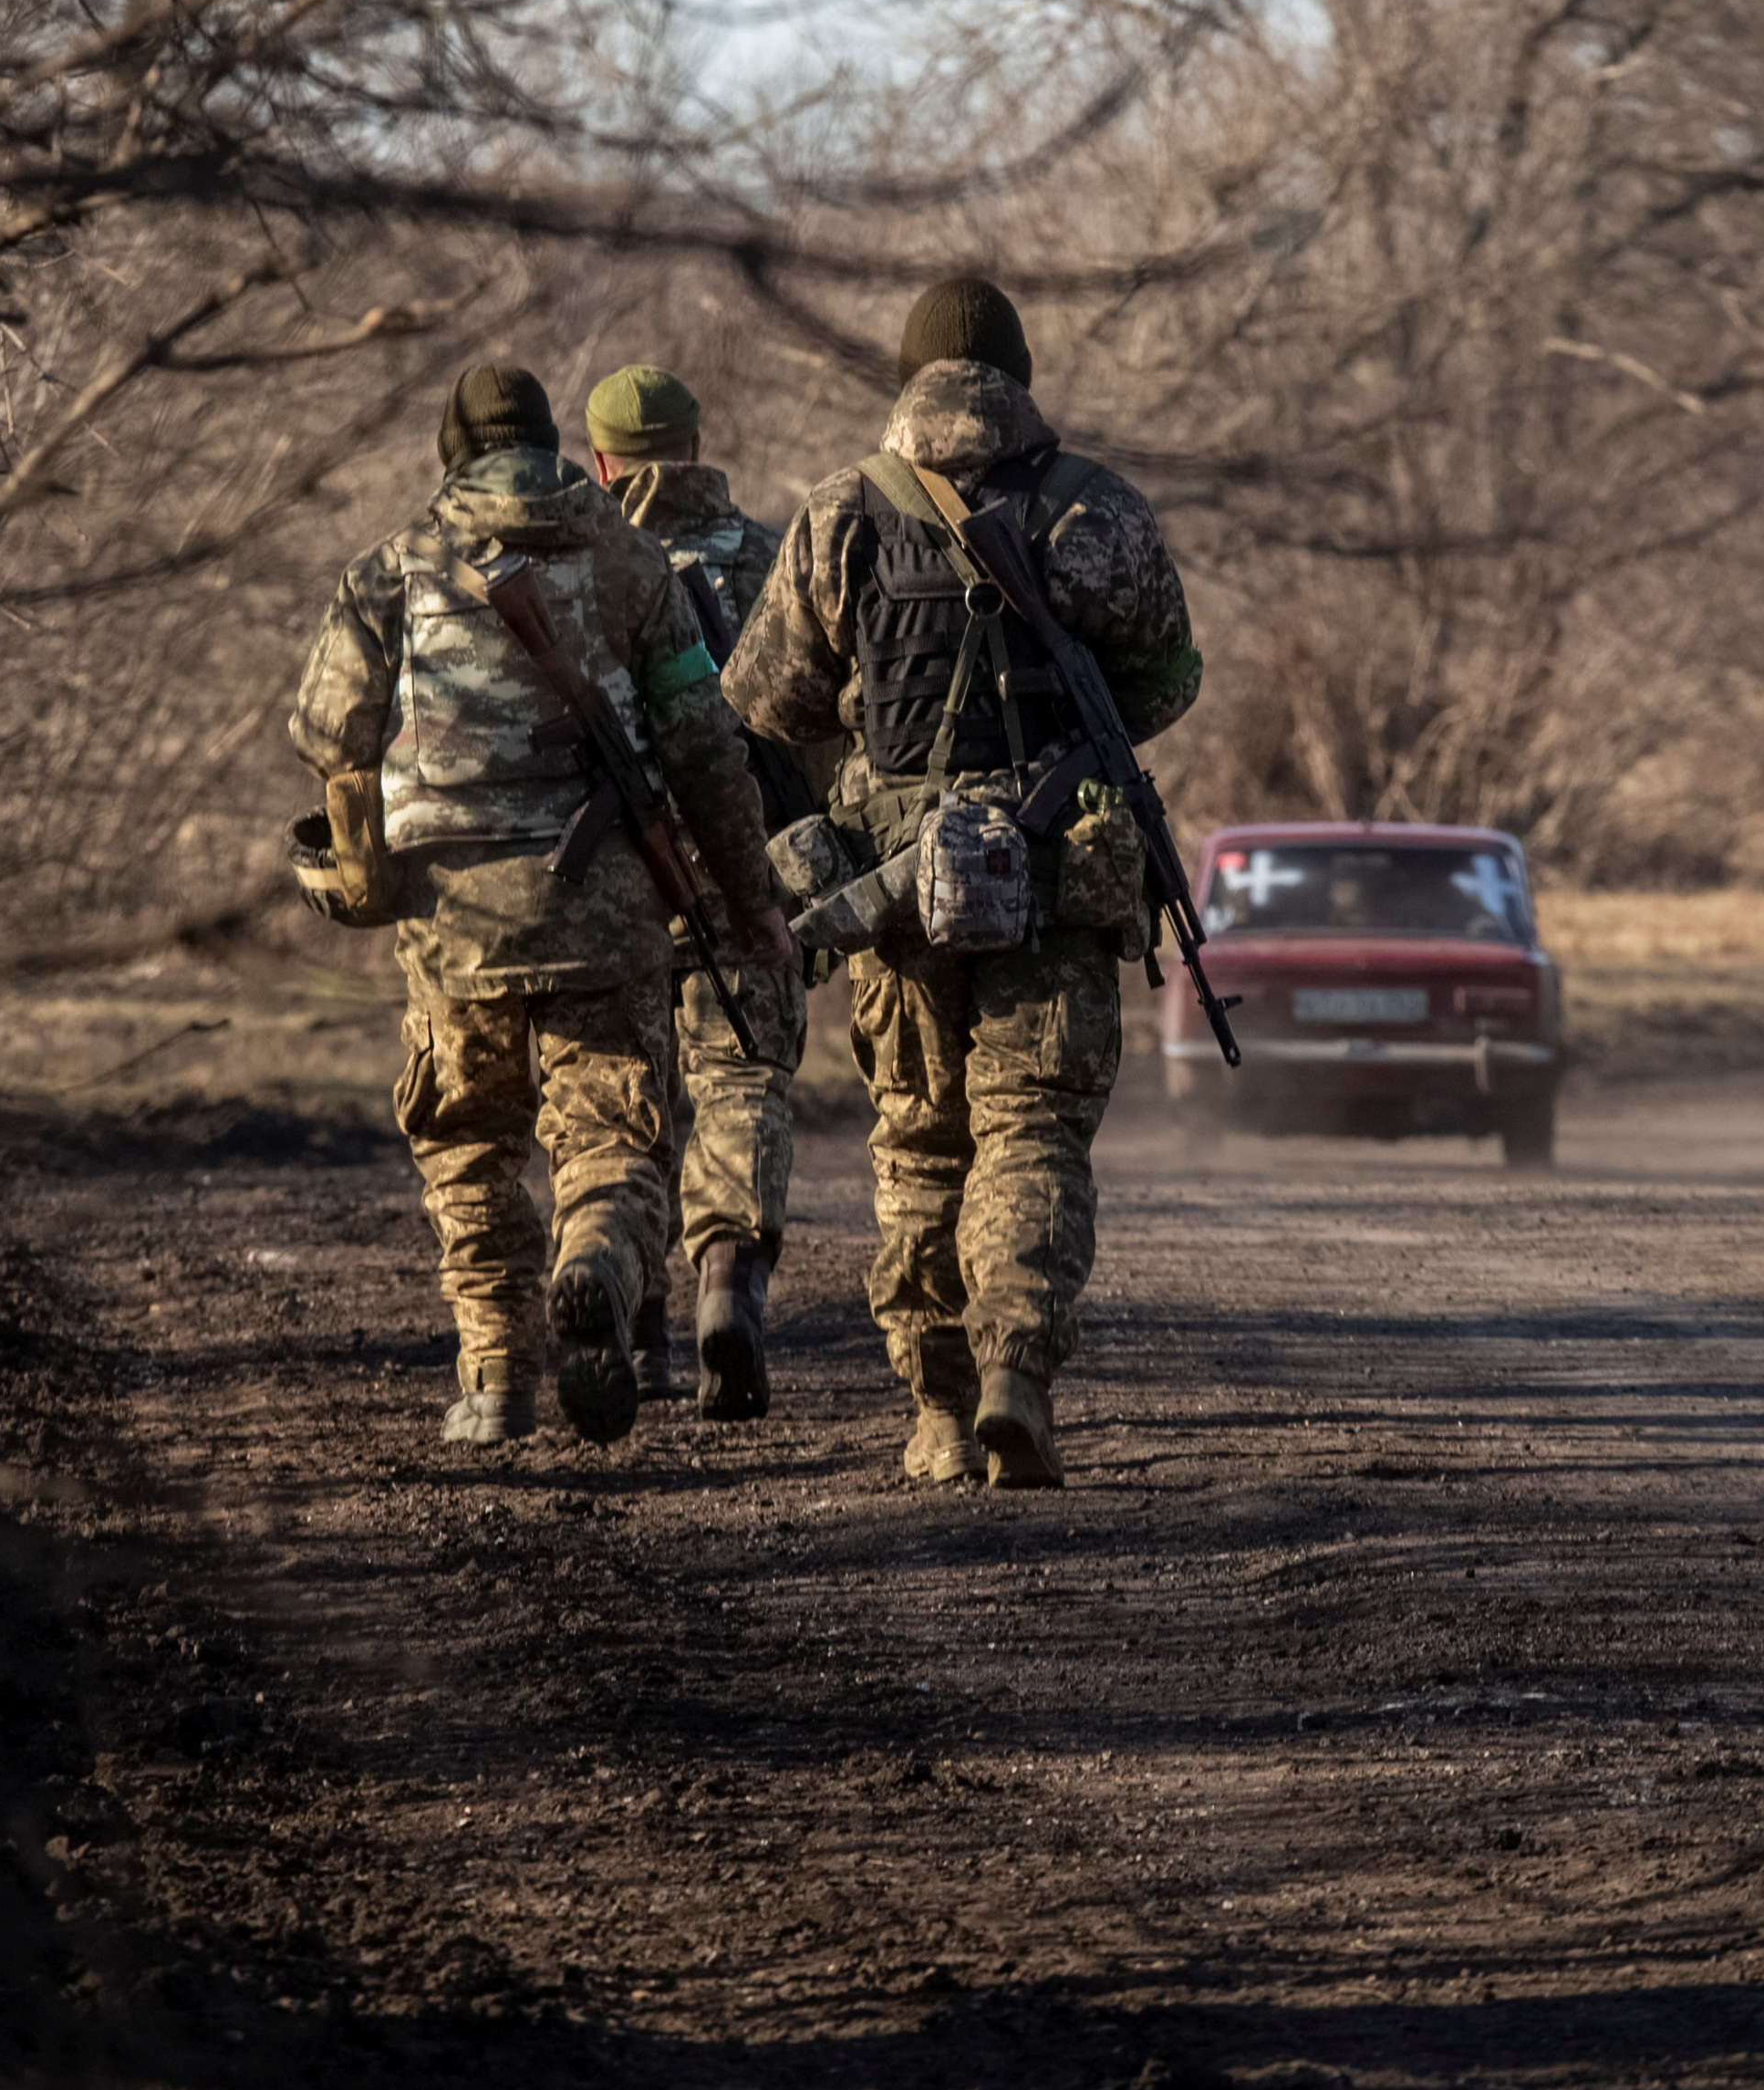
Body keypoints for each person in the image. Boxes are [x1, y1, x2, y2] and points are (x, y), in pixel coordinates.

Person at [721, 281, 1201, 1489]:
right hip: (1056, 885)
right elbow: (1167, 680)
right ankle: (1015, 1376)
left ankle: (935, 1412)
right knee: (1032, 1137)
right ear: (1022, 374)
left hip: (895, 893)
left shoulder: (841, 513)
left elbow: (764, 701)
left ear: (909, 377)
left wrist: (875, 758)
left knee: (923, 1150)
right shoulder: (1099, 508)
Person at [288, 362, 793, 1444]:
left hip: (452, 918)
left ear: (449, 453)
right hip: (607, 912)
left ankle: (499, 1377)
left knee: (467, 1141)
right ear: (555, 444)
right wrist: (750, 902)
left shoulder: (393, 569)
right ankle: (602, 1267)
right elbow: (705, 744)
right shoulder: (626, 556)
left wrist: (363, 863)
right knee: (614, 1132)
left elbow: (330, 734)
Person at [580, 362, 816, 1419]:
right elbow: (824, 723)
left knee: (625, 1103)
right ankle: (726, 1278)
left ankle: (634, 1332)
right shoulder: (774, 554)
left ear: (599, 461)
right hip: (746, 862)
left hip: (613, 873)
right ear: (695, 445)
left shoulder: (583, 568)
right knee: (742, 1078)